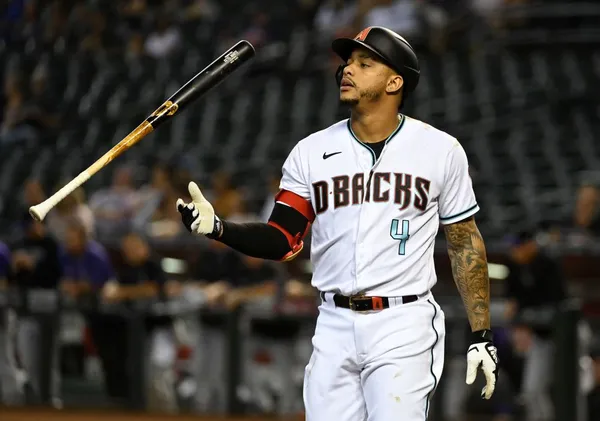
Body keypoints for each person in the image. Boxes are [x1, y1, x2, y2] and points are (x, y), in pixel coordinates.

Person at [176, 26, 498, 421]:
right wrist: (219, 228)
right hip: (333, 322)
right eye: (348, 62)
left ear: (395, 82)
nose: (348, 69)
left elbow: (464, 242)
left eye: (365, 63)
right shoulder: (311, 151)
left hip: (403, 322)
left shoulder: (440, 150)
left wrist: (482, 333)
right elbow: (283, 239)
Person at [503, 229, 566, 421]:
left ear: (530, 245)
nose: (514, 251)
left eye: (518, 247)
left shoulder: (548, 264)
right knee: (533, 391)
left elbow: (553, 300)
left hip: (565, 337)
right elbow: (512, 300)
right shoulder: (515, 267)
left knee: (570, 389)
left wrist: (523, 315)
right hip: (541, 338)